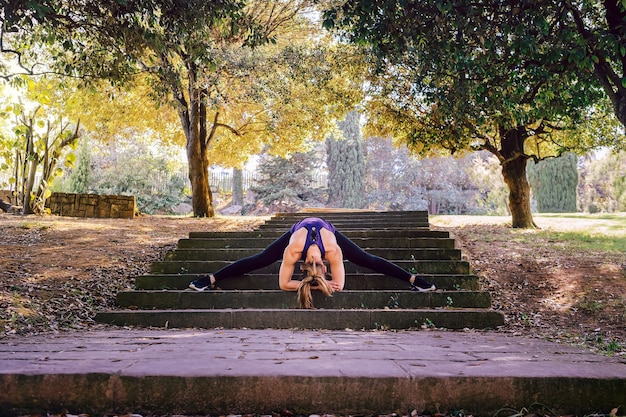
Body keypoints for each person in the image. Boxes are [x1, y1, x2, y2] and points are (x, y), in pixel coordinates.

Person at [189, 217, 436, 308]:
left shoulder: (322, 250)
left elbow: (285, 284)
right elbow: (338, 285)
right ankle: (210, 279)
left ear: (305, 263)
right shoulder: (302, 249)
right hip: (304, 231)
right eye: (318, 261)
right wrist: (316, 285)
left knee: (366, 259)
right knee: (260, 259)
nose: (316, 257)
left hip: (311, 230)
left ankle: (414, 280)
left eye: (314, 261)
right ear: (325, 265)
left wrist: (312, 285)